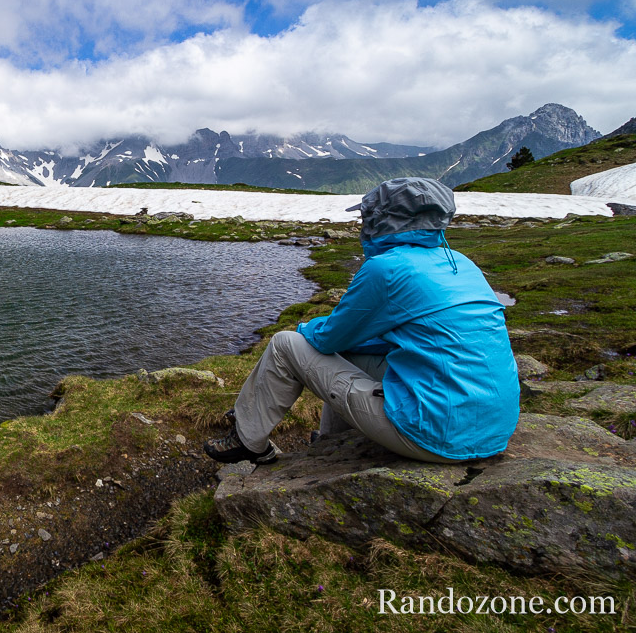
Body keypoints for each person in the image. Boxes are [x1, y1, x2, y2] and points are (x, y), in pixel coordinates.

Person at [205, 176, 519, 466]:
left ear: (382, 221)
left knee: (285, 345)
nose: (362, 225)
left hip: (437, 435)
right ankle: (331, 442)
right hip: (492, 430)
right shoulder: (459, 262)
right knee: (351, 354)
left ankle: (248, 441)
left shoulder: (386, 268)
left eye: (366, 218)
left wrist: (305, 331)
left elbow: (330, 338)